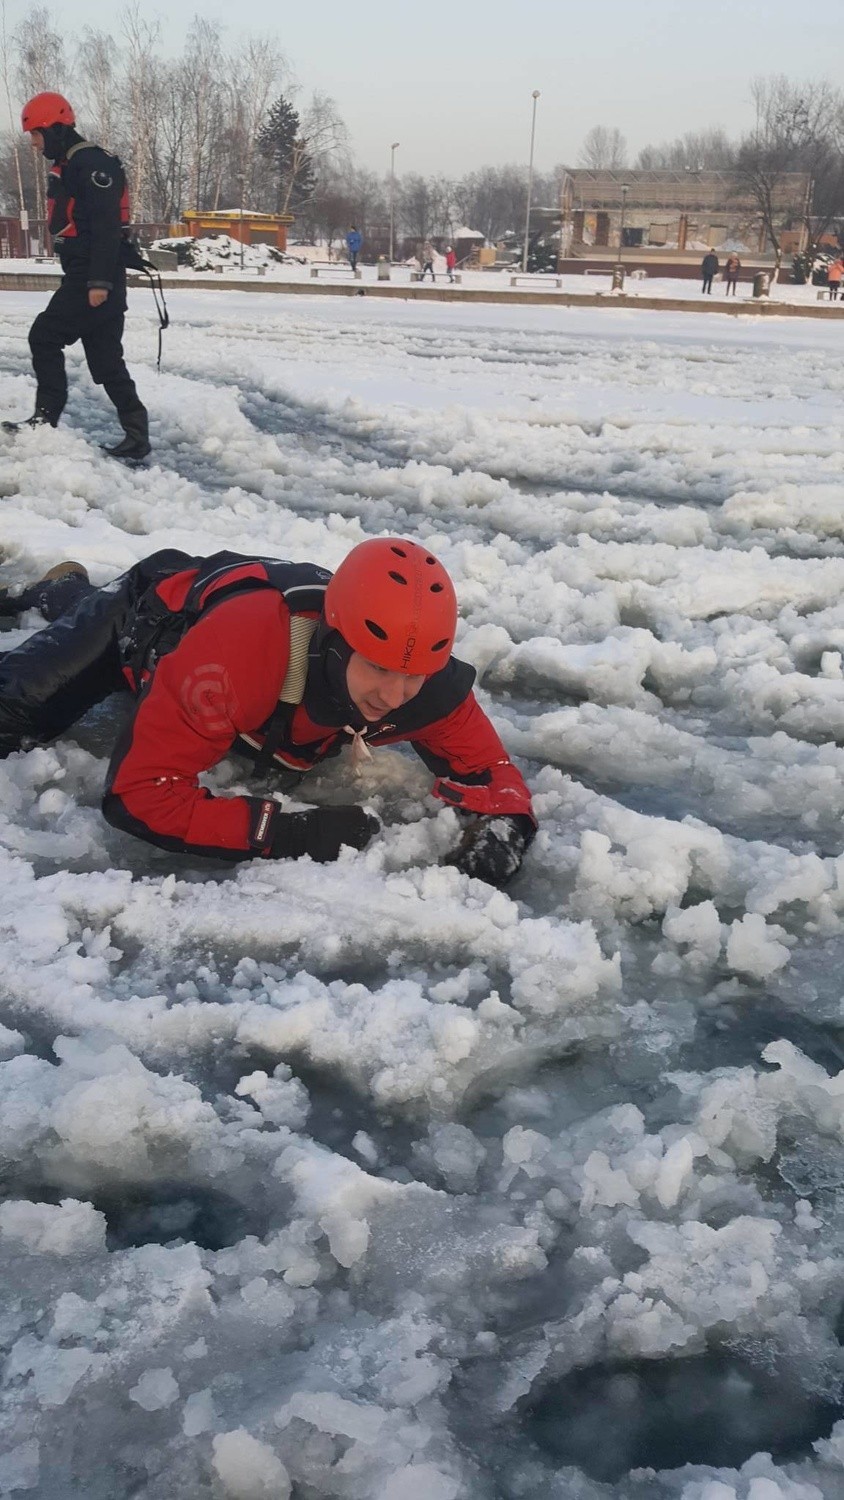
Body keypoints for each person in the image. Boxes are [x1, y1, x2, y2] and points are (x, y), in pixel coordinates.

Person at [0, 538, 536, 887]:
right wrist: (289, 834)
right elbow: (141, 794)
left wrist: (503, 836)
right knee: (16, 708)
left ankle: (69, 593)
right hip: (147, 614)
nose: (395, 696)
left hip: (224, 625)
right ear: (335, 640)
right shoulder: (239, 659)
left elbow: (494, 777)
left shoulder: (424, 676)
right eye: (377, 669)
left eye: (412, 675)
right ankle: (59, 591)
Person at [2, 92, 150, 462]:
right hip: (91, 275)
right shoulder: (75, 162)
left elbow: (105, 225)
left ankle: (44, 419)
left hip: (92, 277)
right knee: (105, 360)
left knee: (44, 335)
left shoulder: (91, 164)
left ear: (53, 127)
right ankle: (137, 435)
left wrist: (99, 282)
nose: (34, 143)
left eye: (35, 134)